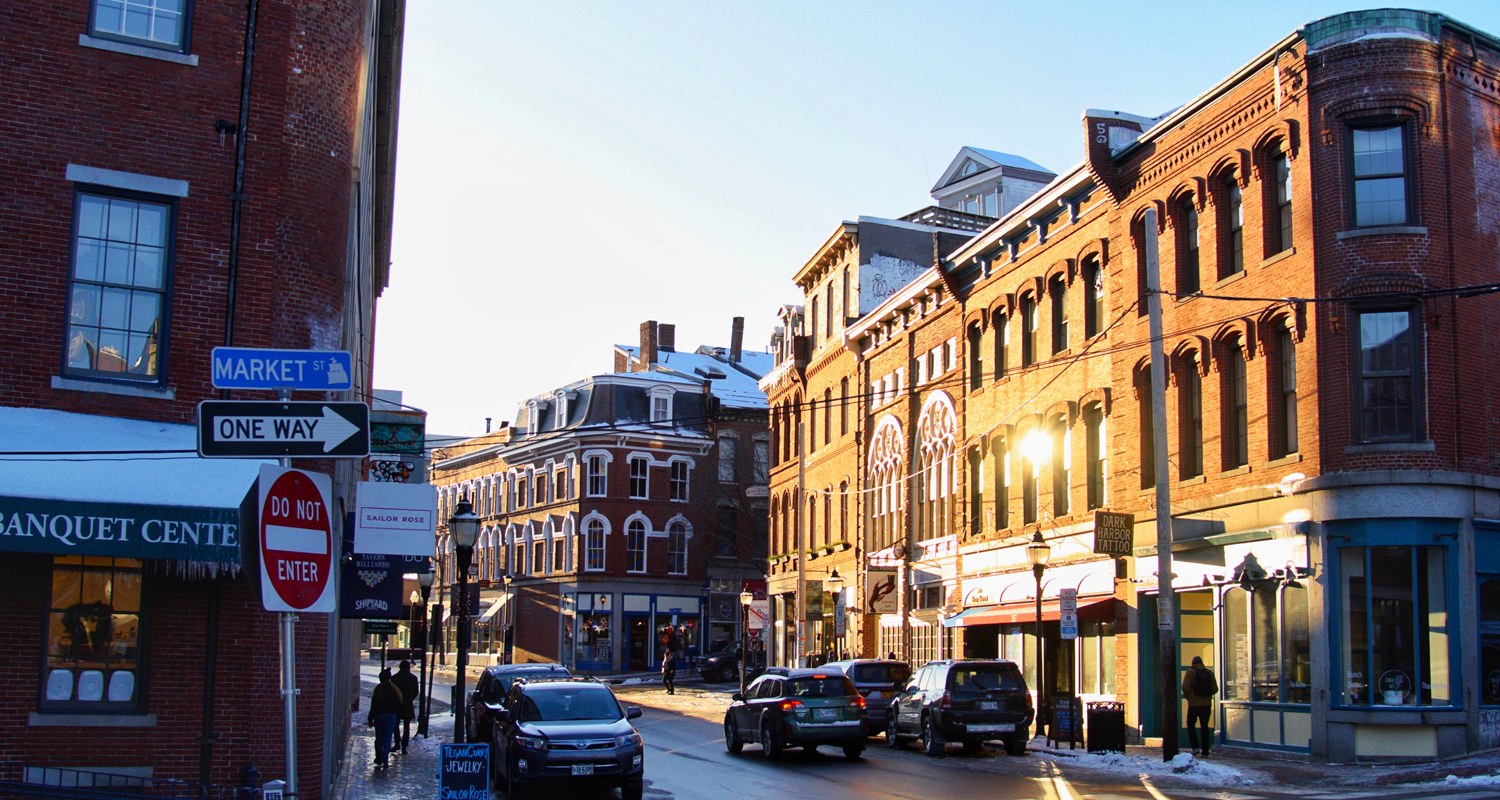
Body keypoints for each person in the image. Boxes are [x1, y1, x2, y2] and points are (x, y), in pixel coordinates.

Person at [1181, 655, 1218, 756]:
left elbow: (1185, 687)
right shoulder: (1209, 673)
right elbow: (1215, 689)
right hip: (1206, 705)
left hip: (1193, 705)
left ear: (1193, 664)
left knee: (1190, 724)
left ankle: (1195, 747)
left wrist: (1189, 697)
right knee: (1204, 726)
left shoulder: (1190, 672)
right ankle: (1205, 750)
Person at [368, 668, 403, 769]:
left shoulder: (378, 689)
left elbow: (373, 705)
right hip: (391, 716)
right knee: (388, 738)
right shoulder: (394, 689)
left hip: (380, 716)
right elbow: (399, 704)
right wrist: (397, 717)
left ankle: (378, 756)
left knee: (379, 738)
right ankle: (385, 759)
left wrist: (370, 718)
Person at [392, 660, 420, 753]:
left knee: (395, 724)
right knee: (406, 725)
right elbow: (416, 692)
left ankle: (397, 743)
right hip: (407, 704)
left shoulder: (395, 678)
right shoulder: (413, 678)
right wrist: (410, 699)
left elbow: (392, 691)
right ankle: (404, 746)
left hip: (397, 704)